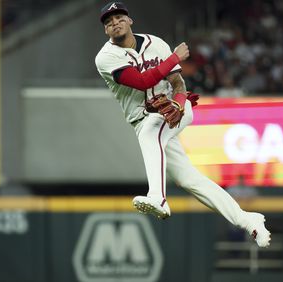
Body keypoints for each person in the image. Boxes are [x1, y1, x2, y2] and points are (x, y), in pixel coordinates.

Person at [95, 2, 271, 247]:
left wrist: (178, 103)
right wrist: (175, 57)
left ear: (130, 20)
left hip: (175, 108)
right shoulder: (105, 57)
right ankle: (247, 219)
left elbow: (177, 80)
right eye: (108, 21)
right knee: (189, 179)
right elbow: (142, 81)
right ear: (106, 30)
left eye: (119, 17)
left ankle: (158, 197)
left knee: (150, 133)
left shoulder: (155, 42)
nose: (114, 22)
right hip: (143, 117)